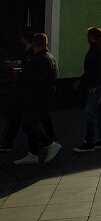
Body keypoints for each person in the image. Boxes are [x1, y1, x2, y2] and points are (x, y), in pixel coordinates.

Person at [13, 33, 61, 165]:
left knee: (28, 126)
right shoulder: (48, 57)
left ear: (34, 44)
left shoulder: (40, 59)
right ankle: (32, 153)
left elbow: (34, 80)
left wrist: (20, 75)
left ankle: (50, 144)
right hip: (43, 97)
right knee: (32, 124)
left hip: (36, 98)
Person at [73, 26, 101, 153]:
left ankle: (90, 142)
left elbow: (97, 71)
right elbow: (93, 69)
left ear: (91, 37)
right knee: (98, 111)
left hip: (97, 85)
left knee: (90, 111)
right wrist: (82, 80)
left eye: (88, 36)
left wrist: (92, 85)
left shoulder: (98, 50)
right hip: (99, 83)